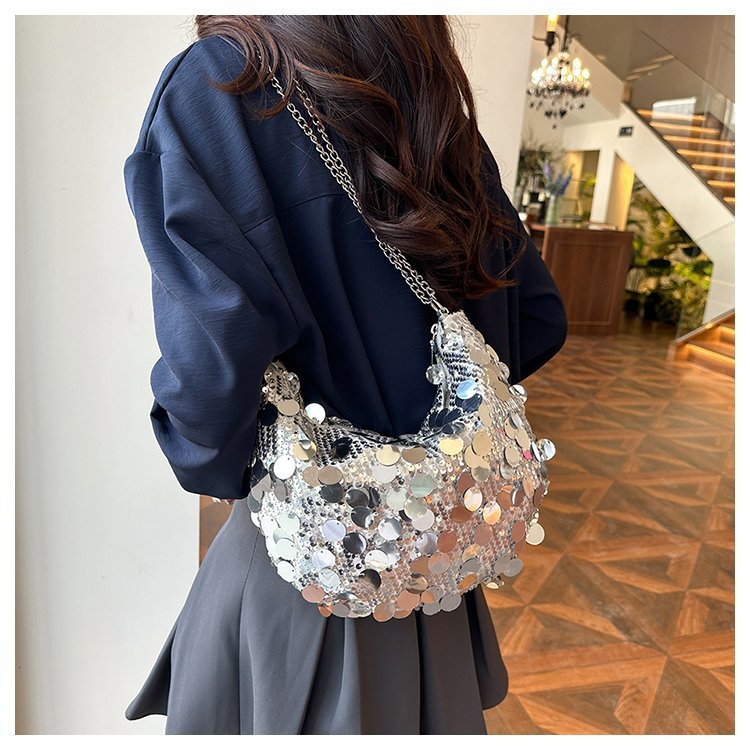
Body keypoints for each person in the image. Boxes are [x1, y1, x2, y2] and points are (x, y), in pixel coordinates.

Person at [122, 16, 567, 735]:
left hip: (307, 573)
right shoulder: (429, 94)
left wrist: (215, 458)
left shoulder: (221, 86)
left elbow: (210, 372)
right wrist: (438, 423)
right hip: (437, 568)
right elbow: (538, 317)